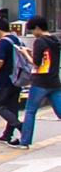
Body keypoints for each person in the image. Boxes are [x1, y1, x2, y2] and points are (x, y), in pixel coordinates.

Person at [17, 16, 61, 149]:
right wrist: (32, 53)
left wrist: (25, 53)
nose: (33, 34)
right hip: (54, 82)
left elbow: (36, 64)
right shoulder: (55, 39)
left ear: (37, 28)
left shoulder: (39, 41)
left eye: (32, 31)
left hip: (40, 82)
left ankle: (24, 141)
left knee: (30, 111)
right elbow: (47, 57)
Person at [0, 18, 27, 145]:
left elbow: (0, 60)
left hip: (4, 80)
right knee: (12, 107)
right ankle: (7, 134)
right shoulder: (17, 40)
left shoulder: (3, 42)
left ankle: (19, 125)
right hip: (17, 79)